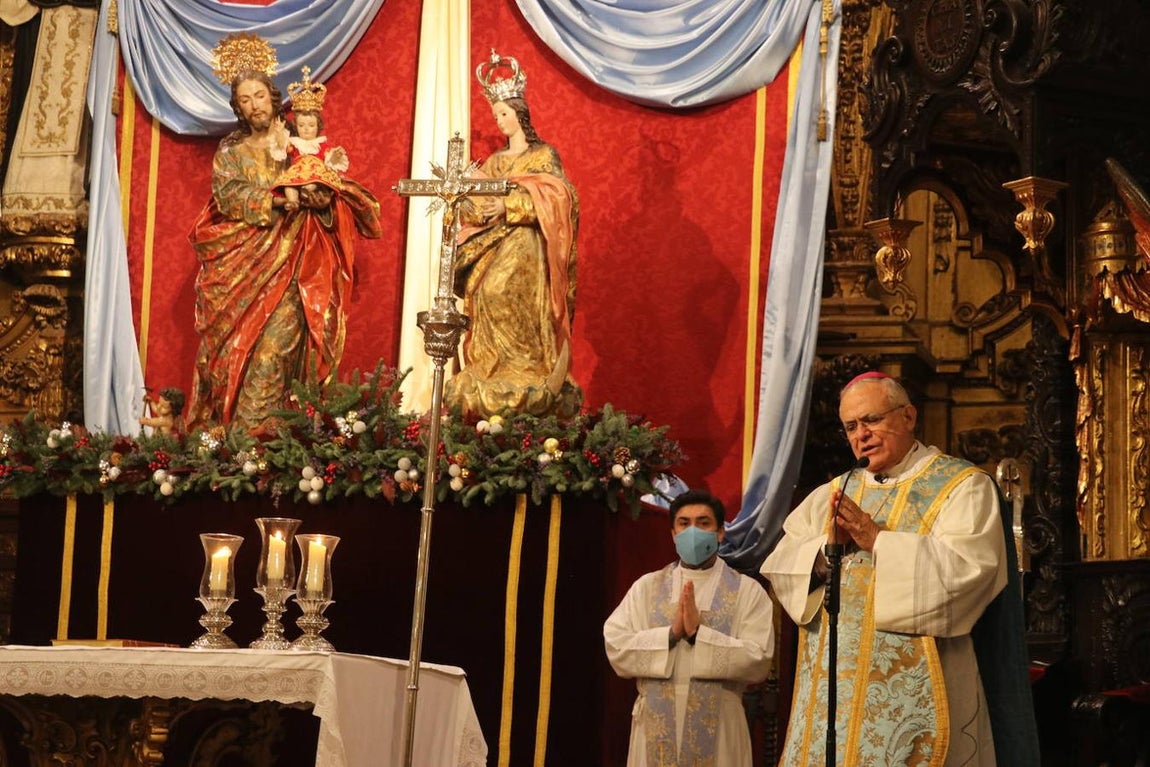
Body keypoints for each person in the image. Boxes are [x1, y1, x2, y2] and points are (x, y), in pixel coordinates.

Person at [761, 372, 1039, 766]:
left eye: (872, 420)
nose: (862, 435)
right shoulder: (836, 491)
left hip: (925, 691)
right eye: (852, 426)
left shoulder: (961, 486)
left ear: (908, 417)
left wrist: (879, 541)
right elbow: (783, 565)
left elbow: (970, 572)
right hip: (833, 697)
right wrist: (826, 553)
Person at [186, 39, 381, 432]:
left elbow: (325, 187)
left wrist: (320, 197)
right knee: (233, 351)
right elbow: (226, 195)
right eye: (244, 99)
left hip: (294, 264)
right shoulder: (231, 150)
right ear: (237, 107)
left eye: (259, 95)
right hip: (240, 269)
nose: (254, 104)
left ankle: (263, 436)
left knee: (275, 350)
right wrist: (273, 201)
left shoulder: (300, 145)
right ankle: (234, 441)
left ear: (273, 97)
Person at [447, 50, 582, 418]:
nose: (500, 121)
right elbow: (478, 207)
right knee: (482, 293)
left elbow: (560, 198)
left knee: (499, 290)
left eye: (504, 113)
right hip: (492, 242)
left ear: (520, 113)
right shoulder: (494, 162)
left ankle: (526, 365)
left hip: (528, 244)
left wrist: (512, 206)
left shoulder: (543, 155)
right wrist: (467, 198)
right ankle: (490, 365)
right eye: (495, 116)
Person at [604, 489, 775, 766]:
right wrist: (671, 635)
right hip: (654, 725)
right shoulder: (647, 587)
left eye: (703, 523)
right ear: (673, 533)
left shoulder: (747, 591)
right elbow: (617, 646)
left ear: (720, 532)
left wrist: (699, 634)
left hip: (721, 725)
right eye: (684, 523)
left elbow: (758, 659)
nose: (693, 531)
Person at [273, 66, 349, 212]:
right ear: (296, 126)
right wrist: (279, 133)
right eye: (301, 125)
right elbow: (283, 147)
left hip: (315, 173)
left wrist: (335, 156)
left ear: (318, 126)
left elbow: (329, 159)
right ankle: (293, 202)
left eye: (311, 125)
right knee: (289, 185)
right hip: (296, 172)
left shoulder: (320, 144)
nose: (306, 129)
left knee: (313, 183)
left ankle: (307, 192)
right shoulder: (295, 143)